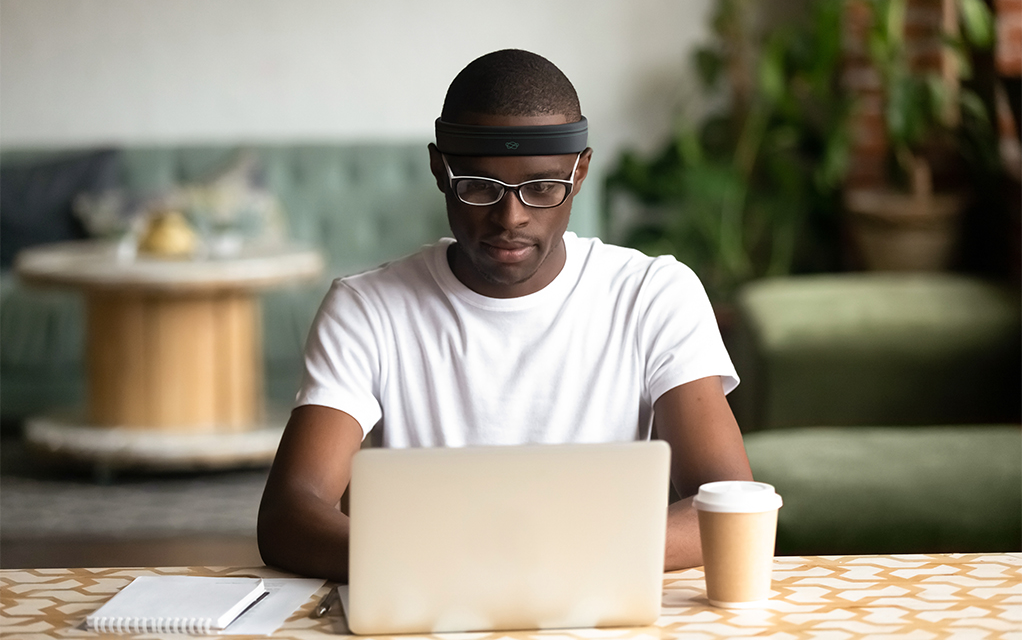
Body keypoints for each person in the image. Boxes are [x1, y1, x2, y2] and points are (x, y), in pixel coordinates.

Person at [257, 49, 753, 582]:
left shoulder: (653, 294)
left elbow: (731, 503)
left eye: (541, 188)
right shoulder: (367, 310)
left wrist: (549, 561)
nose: (509, 219)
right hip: (431, 601)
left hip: (593, 601)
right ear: (440, 170)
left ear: (579, 172)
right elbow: (290, 512)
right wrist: (446, 569)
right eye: (480, 187)